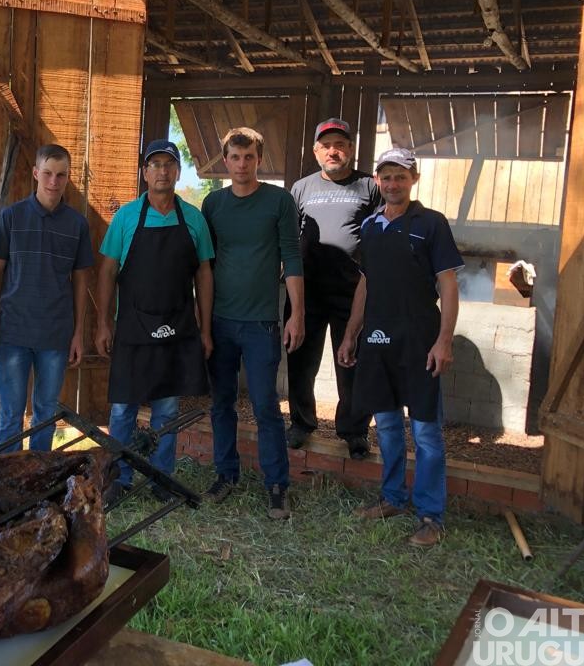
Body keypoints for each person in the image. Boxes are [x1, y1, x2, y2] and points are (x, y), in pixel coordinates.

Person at [336, 148, 462, 547]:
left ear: (414, 179)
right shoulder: (371, 226)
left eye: (400, 177)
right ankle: (392, 498)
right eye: (386, 177)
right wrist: (351, 333)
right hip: (377, 339)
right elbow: (366, 283)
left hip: (420, 339)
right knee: (387, 425)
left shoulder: (432, 224)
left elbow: (448, 283)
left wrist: (444, 340)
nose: (393, 184)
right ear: (378, 181)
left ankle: (431, 516)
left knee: (425, 431)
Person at [95, 139, 214, 501]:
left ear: (178, 171)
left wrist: (205, 329)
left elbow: (204, 274)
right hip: (132, 327)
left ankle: (163, 479)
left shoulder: (193, 219)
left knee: (167, 409)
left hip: (177, 329)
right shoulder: (126, 217)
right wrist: (103, 323)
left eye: (169, 164)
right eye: (155, 165)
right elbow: (107, 271)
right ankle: (119, 477)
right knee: (123, 409)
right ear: (145, 172)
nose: (162, 171)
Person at [201, 127, 304, 520]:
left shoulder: (278, 201)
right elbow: (204, 267)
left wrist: (297, 313)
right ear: (224, 161)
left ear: (259, 159)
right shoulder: (213, 205)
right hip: (220, 320)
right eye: (234, 157)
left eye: (249, 157)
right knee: (221, 403)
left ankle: (277, 485)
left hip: (261, 322)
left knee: (265, 406)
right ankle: (226, 474)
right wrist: (202, 322)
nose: (241, 165)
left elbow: (291, 258)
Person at [0, 144, 94, 452]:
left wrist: (78, 333)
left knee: (45, 413)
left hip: (55, 334)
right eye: (48, 174)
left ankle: (38, 479)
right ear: (36, 173)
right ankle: (7, 478)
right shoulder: (11, 217)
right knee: (11, 415)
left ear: (68, 178)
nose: (54, 181)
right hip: (13, 330)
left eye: (61, 175)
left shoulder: (77, 224)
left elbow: (81, 279)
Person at [286, 118, 382, 459]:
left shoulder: (369, 186)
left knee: (351, 360)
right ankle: (300, 422)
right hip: (307, 292)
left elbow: (381, 234)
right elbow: (288, 237)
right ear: (315, 151)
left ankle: (354, 431)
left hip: (352, 292)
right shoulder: (301, 188)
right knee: (300, 360)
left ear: (351, 149)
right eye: (326, 145)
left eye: (340, 144)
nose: (333, 150)